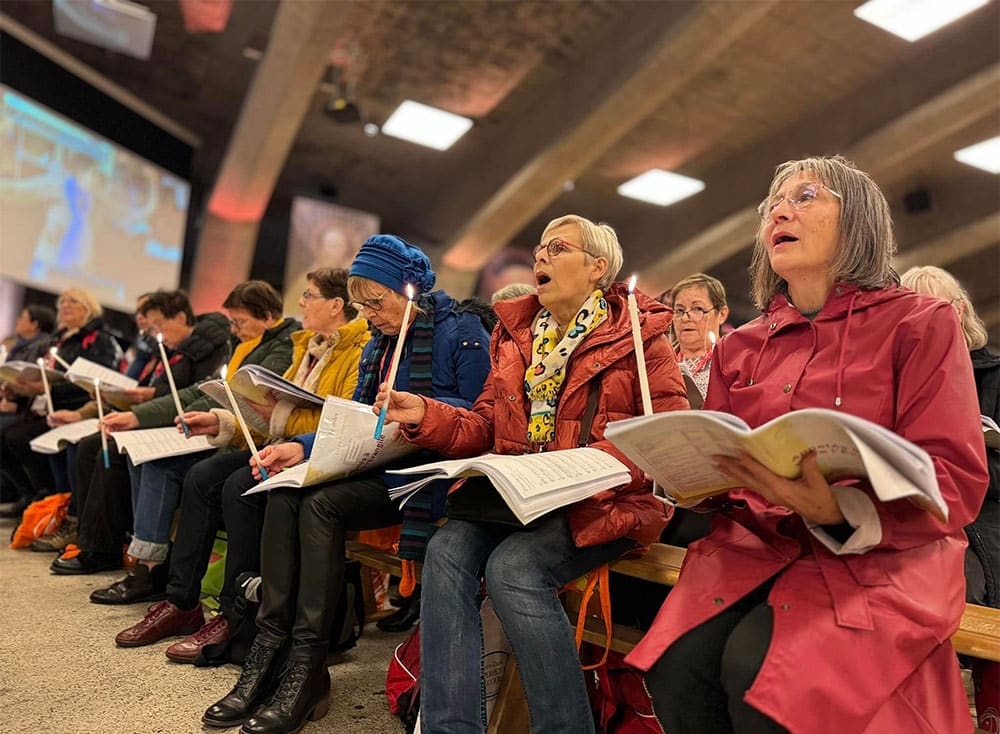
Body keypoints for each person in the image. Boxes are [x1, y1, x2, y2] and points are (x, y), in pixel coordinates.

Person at [627, 156, 989, 734]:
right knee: (675, 666)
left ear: (859, 222)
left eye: (806, 196)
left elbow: (955, 479)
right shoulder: (739, 347)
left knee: (764, 681)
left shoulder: (922, 323)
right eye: (773, 204)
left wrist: (837, 511)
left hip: (881, 556)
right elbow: (719, 471)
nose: (780, 210)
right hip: (755, 547)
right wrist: (685, 476)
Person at [377, 215, 688, 733]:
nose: (540, 255)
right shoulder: (513, 334)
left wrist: (584, 468)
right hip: (521, 500)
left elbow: (663, 438)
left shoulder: (641, 336)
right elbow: (483, 424)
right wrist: (425, 414)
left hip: (603, 506)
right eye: (540, 247)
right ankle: (450, 727)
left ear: (598, 268)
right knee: (446, 550)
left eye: (557, 247)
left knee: (514, 571)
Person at [200, 234, 492, 734]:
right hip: (375, 462)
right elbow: (353, 416)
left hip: (427, 473)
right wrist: (304, 447)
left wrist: (420, 413)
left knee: (320, 506)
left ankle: (309, 665)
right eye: (360, 305)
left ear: (411, 289)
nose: (367, 314)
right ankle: (271, 650)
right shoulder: (378, 342)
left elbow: (483, 417)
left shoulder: (463, 332)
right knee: (285, 488)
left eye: (375, 302)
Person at [112, 268, 368, 665]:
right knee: (201, 477)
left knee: (237, 486)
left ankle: (236, 613)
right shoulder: (306, 345)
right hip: (280, 445)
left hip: (318, 454)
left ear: (336, 305)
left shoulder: (358, 349)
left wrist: (276, 415)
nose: (300, 303)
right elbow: (272, 414)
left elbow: (339, 422)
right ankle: (182, 603)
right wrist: (220, 422)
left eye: (309, 295)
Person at [50, 281, 296, 576]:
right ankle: (133, 554)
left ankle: (151, 567)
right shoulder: (246, 344)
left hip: (242, 436)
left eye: (240, 322)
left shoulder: (276, 347)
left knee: (159, 463)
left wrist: (145, 411)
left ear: (267, 317)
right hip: (221, 427)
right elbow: (203, 391)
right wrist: (139, 414)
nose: (234, 328)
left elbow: (232, 397)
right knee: (121, 449)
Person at [35, 290, 230, 553]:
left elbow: (194, 393)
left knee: (110, 449)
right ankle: (90, 533)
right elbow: (146, 388)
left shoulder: (207, 348)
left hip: (181, 424)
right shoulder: (163, 349)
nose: (149, 327)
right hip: (156, 416)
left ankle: (108, 545)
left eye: (157, 323)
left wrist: (141, 407)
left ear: (182, 316)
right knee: (88, 444)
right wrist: (99, 404)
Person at [901, 264, 999, 732]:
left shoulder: (996, 375)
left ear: (960, 313)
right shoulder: (898, 377)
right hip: (916, 514)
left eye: (934, 311)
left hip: (981, 518)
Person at [1, 288, 122, 515]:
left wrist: (50, 387)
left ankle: (48, 498)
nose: (65, 306)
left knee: (17, 437)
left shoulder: (100, 342)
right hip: (42, 407)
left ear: (89, 308)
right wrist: (17, 391)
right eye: (62, 302)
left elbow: (94, 381)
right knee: (7, 436)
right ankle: (32, 494)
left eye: (73, 301)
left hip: (72, 408)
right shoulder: (56, 338)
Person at [669, 272, 729, 402]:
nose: (685, 318)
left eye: (697, 309)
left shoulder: (734, 361)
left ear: (722, 314)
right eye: (679, 310)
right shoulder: (661, 362)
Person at [0, 304, 57, 431]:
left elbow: (30, 382)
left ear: (34, 324)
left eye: (22, 317)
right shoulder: (20, 346)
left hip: (23, 409)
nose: (17, 320)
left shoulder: (41, 347)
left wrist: (15, 402)